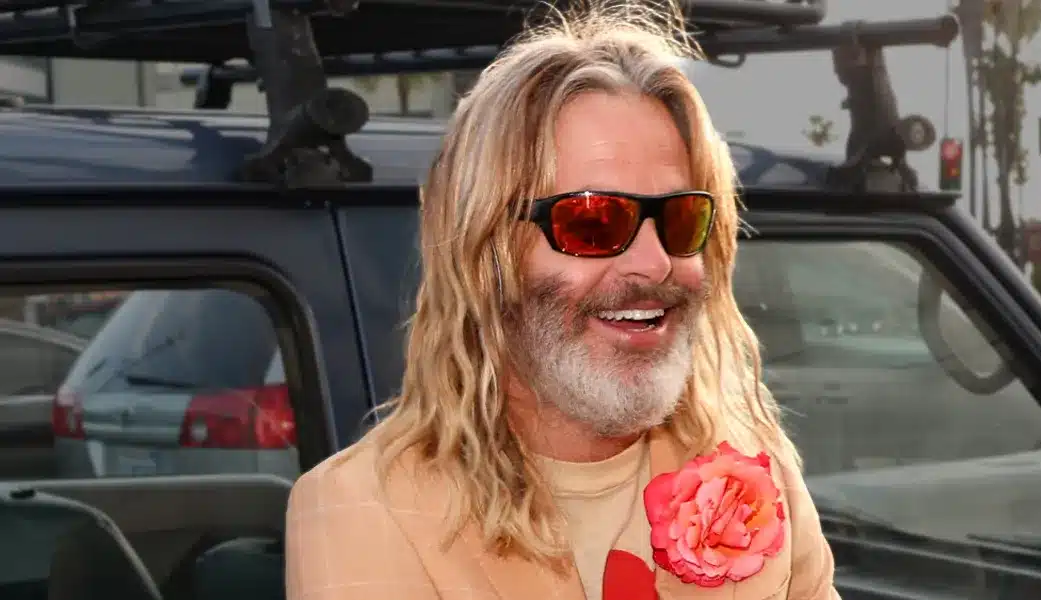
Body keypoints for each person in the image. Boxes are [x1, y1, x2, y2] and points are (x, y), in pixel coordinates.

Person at [283, 2, 839, 598]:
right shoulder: (362, 511)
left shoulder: (756, 471)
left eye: (681, 218)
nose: (654, 263)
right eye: (593, 221)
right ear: (488, 253)